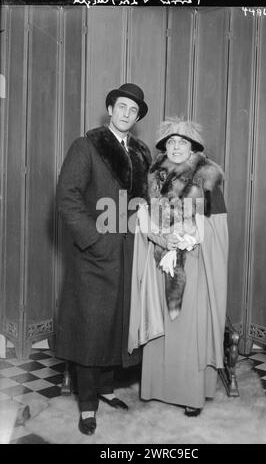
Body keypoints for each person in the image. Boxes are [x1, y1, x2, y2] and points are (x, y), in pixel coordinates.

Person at [55, 83, 151, 435]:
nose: (127, 114)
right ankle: (86, 405)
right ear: (110, 109)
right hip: (95, 254)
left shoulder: (140, 153)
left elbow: (142, 201)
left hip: (129, 251)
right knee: (91, 326)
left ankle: (108, 389)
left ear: (137, 117)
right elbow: (67, 197)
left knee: (117, 322)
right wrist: (93, 239)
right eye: (122, 106)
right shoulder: (87, 145)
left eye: (133, 110)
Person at [129, 118, 228, 417]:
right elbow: (144, 214)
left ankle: (190, 394)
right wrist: (157, 234)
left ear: (193, 148)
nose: (175, 147)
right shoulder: (154, 176)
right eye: (170, 142)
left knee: (187, 327)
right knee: (162, 322)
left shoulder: (207, 177)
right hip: (161, 257)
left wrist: (186, 239)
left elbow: (216, 226)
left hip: (193, 264)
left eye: (182, 142)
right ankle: (156, 388)